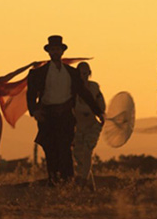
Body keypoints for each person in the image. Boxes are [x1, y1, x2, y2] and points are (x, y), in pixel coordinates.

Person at [27, 35, 103, 186]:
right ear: (49, 52)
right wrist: (34, 111)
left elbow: (84, 93)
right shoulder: (38, 73)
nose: (55, 52)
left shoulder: (71, 73)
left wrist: (98, 111)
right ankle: (54, 182)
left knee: (65, 149)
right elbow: (31, 94)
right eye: (53, 50)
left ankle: (67, 183)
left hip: (66, 115)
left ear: (62, 52)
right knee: (50, 150)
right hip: (47, 116)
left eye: (58, 49)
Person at [72, 62, 105, 188]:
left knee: (87, 151)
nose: (83, 76)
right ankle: (91, 185)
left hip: (92, 125)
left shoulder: (94, 87)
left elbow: (101, 106)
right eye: (81, 73)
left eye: (86, 73)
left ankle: (83, 181)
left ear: (89, 73)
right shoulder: (73, 90)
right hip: (79, 127)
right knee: (78, 156)